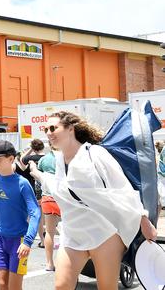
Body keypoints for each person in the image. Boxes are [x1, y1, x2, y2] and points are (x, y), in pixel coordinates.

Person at [29, 111, 158, 290]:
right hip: (73, 233)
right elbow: (60, 189)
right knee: (61, 285)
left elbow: (122, 188)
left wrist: (144, 219)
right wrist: (37, 174)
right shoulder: (59, 160)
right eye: (46, 129)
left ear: (70, 129)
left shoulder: (95, 153)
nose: (49, 133)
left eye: (53, 128)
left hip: (104, 233)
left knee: (106, 287)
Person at [0, 140, 41, 290]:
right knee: (1, 284)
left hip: (18, 241)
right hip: (0, 240)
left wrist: (27, 241)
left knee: (14, 287)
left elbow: (35, 212)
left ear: (11, 158)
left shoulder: (23, 183)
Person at [29, 143, 61, 272]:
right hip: (64, 198)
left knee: (49, 232)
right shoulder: (68, 156)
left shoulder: (44, 160)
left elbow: (38, 177)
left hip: (48, 198)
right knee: (68, 232)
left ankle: (49, 263)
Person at [18, 139, 45, 247]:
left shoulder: (30, 159)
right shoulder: (47, 158)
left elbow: (21, 159)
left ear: (34, 148)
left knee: (36, 217)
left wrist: (30, 150)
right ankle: (45, 240)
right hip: (47, 190)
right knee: (44, 217)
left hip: (34, 191)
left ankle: (37, 239)